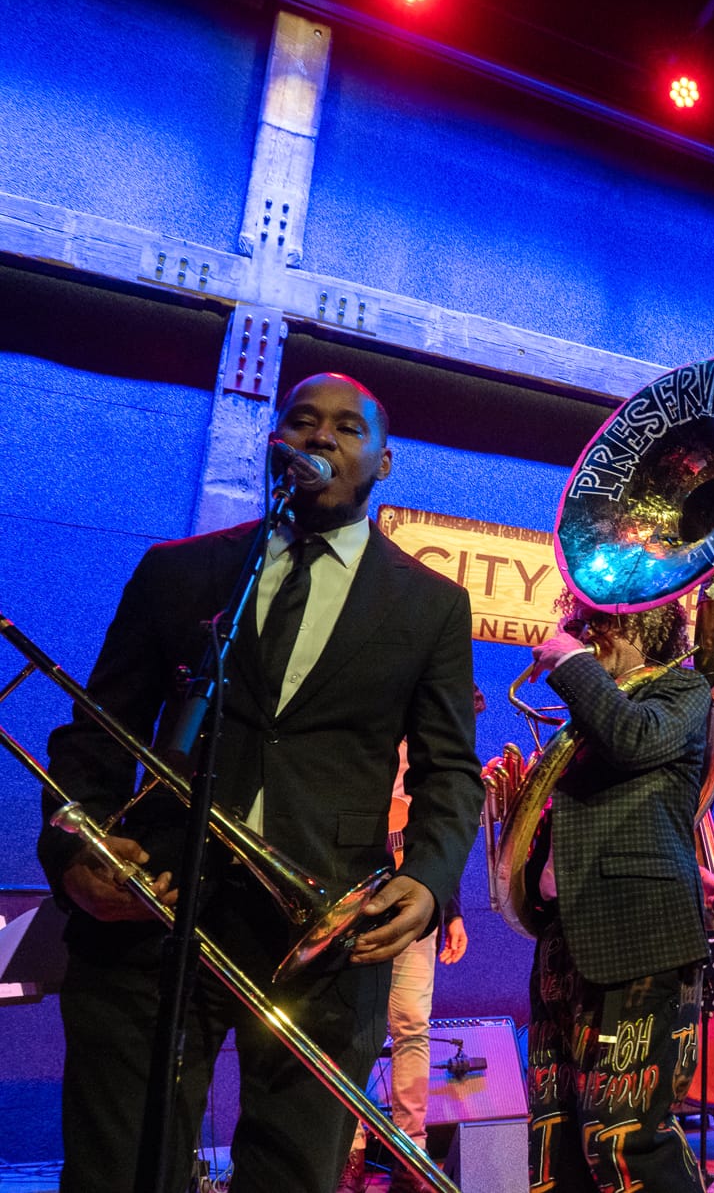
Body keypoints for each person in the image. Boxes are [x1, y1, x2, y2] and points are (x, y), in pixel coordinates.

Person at [39, 373, 484, 1193]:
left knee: (293, 1172)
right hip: (151, 907)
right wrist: (75, 852)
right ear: (275, 443)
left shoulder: (431, 606)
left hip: (328, 933)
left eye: (348, 428)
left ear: (385, 461)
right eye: (302, 422)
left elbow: (449, 767)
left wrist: (428, 880)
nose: (321, 437)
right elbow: (95, 734)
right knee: (119, 1168)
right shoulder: (181, 573)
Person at [520, 600, 714, 1193]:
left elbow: (635, 739)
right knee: (557, 1133)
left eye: (588, 626)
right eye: (577, 628)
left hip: (638, 937)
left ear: (631, 627)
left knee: (624, 1136)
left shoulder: (683, 690)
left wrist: (574, 663)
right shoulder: (587, 718)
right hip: (566, 938)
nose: (577, 636)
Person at [340, 690, 483, 1193]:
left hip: (416, 920)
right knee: (357, 1032)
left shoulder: (432, 772)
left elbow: (438, 847)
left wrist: (454, 913)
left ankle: (412, 1152)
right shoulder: (373, 750)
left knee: (412, 1029)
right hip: (358, 913)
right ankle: (350, 1151)